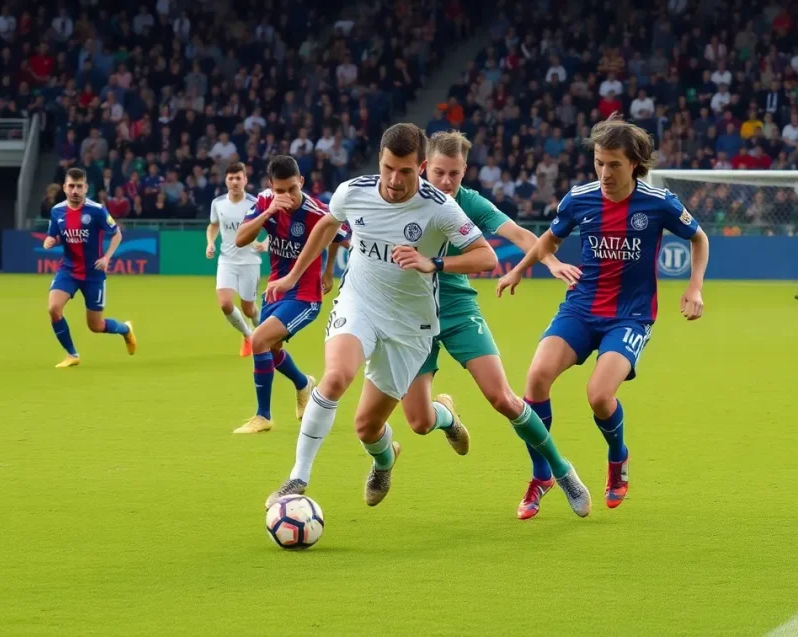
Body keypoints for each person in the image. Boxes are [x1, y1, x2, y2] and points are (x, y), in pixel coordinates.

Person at [262, 124, 501, 509]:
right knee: (337, 376)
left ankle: (402, 448)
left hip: (409, 325)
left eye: (405, 171)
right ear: (380, 160)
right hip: (359, 302)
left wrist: (433, 262)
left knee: (368, 427)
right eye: (388, 167)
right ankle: (297, 478)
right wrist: (292, 275)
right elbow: (328, 224)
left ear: (421, 167)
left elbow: (487, 257)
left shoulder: (439, 206)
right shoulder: (352, 191)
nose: (394, 179)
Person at [497, 115, 709, 513]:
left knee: (598, 396)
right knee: (537, 378)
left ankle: (618, 459)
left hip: (630, 315)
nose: (605, 172)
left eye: (614, 164)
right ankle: (541, 476)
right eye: (599, 162)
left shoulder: (659, 203)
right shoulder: (580, 199)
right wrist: (520, 268)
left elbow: (699, 237)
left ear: (635, 164)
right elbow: (549, 238)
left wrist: (694, 286)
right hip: (581, 306)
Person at [400, 131, 592, 519]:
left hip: (455, 308)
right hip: (409, 316)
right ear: (423, 168)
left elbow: (518, 234)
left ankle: (561, 471)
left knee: (502, 397)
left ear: (465, 171)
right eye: (439, 172)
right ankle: (448, 417)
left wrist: (551, 262)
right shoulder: (402, 199)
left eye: (455, 174)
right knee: (420, 423)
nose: (447, 182)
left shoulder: (469, 203)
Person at [232, 155, 348, 434]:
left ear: (302, 183)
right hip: (275, 290)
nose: (288, 196)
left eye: (293, 189)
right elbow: (240, 239)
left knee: (258, 339)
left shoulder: (317, 211)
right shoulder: (263, 202)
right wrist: (269, 212)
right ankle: (303, 383)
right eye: (280, 191)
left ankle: (263, 416)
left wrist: (329, 271)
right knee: (271, 350)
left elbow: (341, 234)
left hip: (305, 296)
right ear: (271, 187)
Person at [45, 168, 137, 368]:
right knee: (53, 308)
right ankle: (72, 354)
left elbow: (117, 234)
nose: (75, 190)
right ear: (64, 188)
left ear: (86, 188)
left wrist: (106, 257)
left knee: (95, 326)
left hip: (93, 273)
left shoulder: (96, 210)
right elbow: (53, 233)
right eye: (71, 186)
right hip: (68, 270)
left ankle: (125, 329)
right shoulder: (57, 211)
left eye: (79, 186)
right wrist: (50, 240)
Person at [206, 163, 267, 356]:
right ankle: (248, 335)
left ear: (245, 180)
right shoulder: (218, 203)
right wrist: (210, 243)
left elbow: (275, 228)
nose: (234, 182)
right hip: (227, 260)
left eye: (238, 178)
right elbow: (213, 225)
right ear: (226, 180)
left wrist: (266, 243)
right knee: (225, 303)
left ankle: (267, 337)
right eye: (231, 178)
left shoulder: (255, 204)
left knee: (249, 309)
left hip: (249, 261)